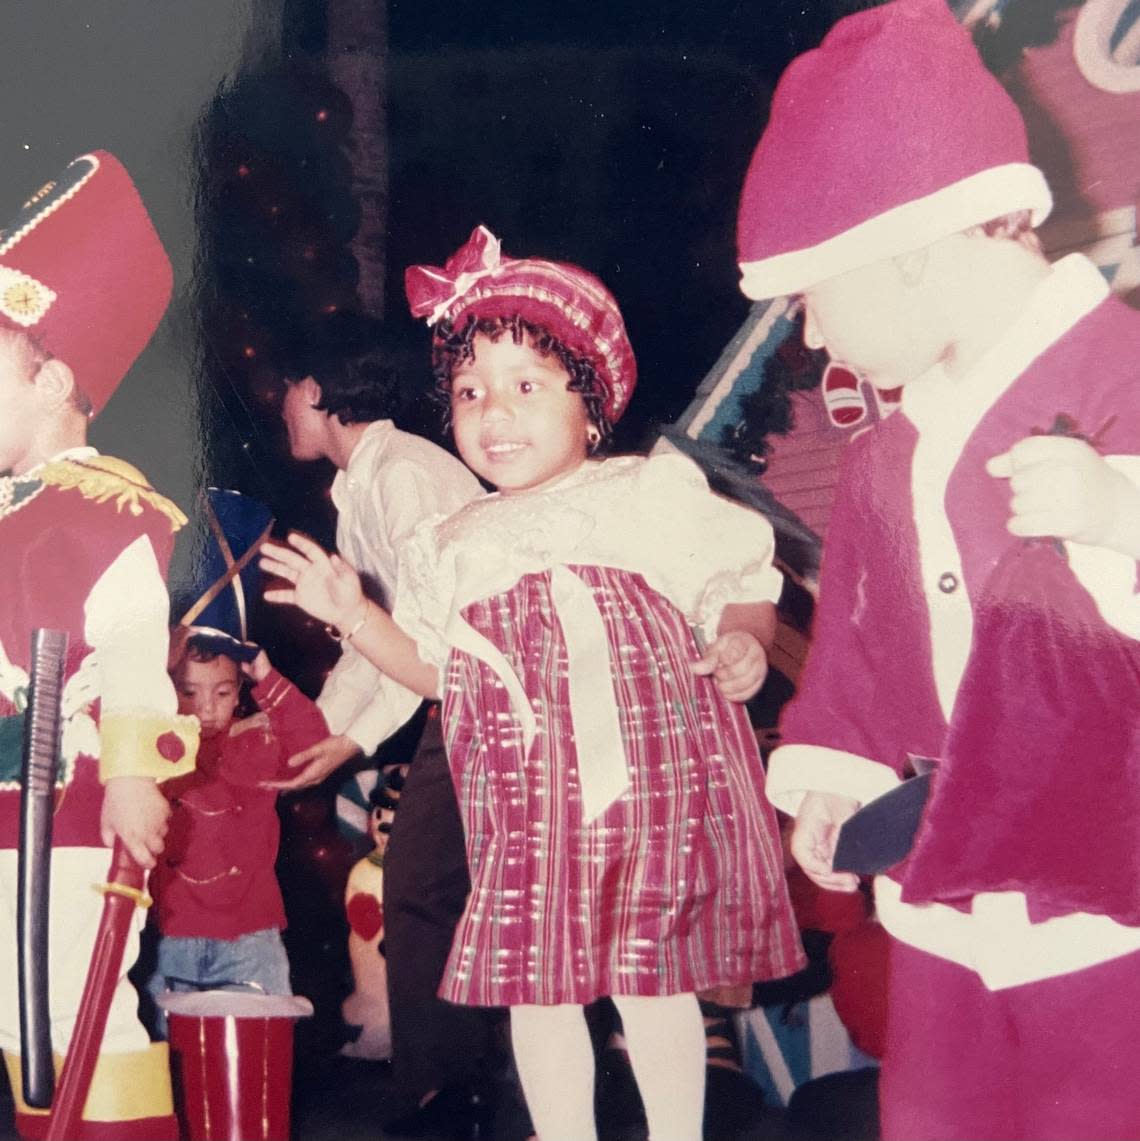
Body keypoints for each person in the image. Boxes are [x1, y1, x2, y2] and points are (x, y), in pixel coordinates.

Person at [261, 225, 806, 1141]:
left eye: (525, 386)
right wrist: (356, 613)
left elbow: (744, 578)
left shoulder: (644, 494)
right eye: (470, 392)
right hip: (527, 807)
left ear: (591, 408)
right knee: (539, 991)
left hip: (648, 796)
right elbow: (434, 667)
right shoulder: (458, 540)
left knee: (651, 980)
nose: (493, 412)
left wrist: (742, 640)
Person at [734, 2, 1140, 1137]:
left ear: (908, 253)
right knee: (940, 1113)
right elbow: (861, 649)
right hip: (944, 893)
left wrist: (1118, 513)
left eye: (814, 292)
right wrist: (832, 776)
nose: (811, 337)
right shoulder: (886, 458)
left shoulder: (1122, 369)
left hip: (1109, 893)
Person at [0, 152, 199, 1140]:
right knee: (17, 1016)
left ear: (56, 380)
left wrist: (135, 775)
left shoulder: (100, 511)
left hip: (62, 806)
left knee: (73, 1012)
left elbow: (128, 650)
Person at [273, 320, 497, 1130]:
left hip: (485, 695)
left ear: (317, 390)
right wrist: (319, 736)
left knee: (422, 886)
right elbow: (371, 642)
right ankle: (447, 1089)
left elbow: (428, 640)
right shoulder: (362, 487)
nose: (283, 410)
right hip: (456, 696)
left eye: (288, 393)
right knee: (424, 887)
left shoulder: (403, 475)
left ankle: (452, 1094)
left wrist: (355, 738)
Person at [147, 629, 327, 1019]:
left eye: (223, 693)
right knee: (172, 1063)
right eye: (188, 692)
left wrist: (267, 676)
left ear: (241, 689)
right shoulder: (151, 751)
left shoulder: (256, 741)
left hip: (251, 938)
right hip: (169, 937)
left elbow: (313, 744)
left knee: (255, 1049)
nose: (206, 708)